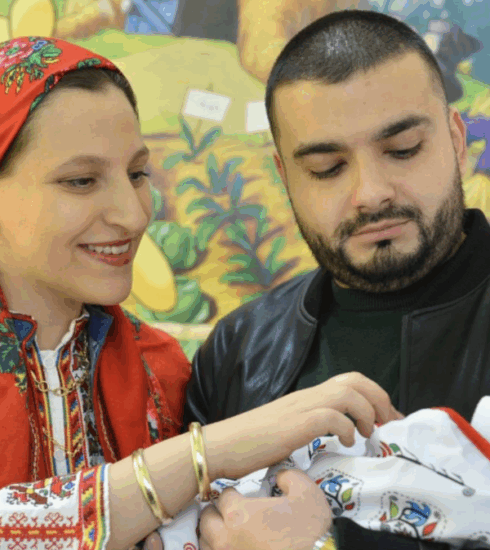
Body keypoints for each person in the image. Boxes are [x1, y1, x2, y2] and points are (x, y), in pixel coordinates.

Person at [0, 36, 403, 550]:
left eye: (137, 174)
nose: (133, 214)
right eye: (81, 181)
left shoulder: (162, 371)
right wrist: (205, 454)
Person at [184, 9, 490, 550]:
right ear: (286, 178)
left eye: (403, 150)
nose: (371, 192)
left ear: (456, 140)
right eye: (327, 168)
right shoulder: (239, 350)